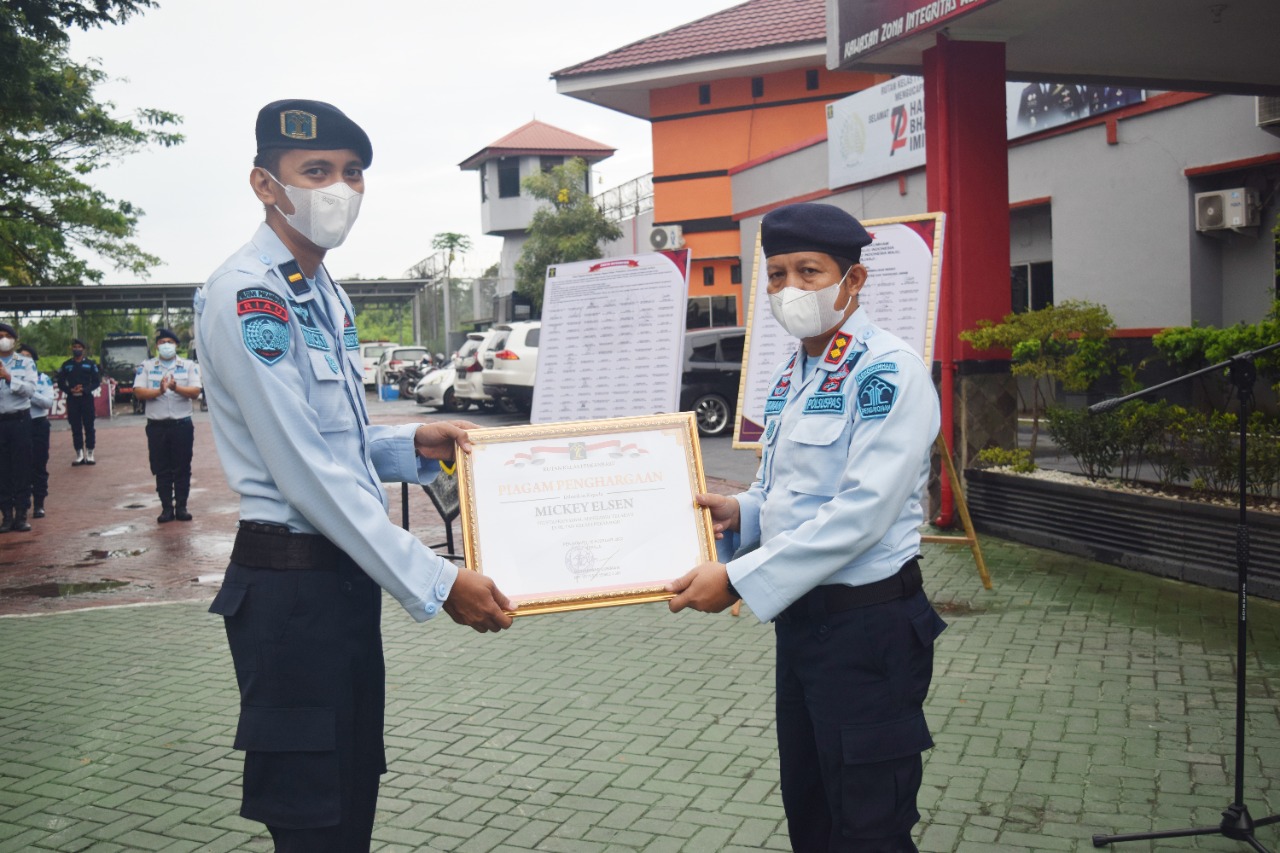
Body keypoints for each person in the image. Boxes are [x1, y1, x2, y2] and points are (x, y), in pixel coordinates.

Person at [196, 98, 514, 853]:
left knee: (348, 799)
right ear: (264, 185)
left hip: (338, 587)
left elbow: (335, 443)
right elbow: (304, 471)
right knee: (315, 822)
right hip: (291, 591)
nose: (339, 189)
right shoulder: (251, 295)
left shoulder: (320, 289)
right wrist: (439, 581)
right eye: (316, 171)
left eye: (352, 173)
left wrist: (415, 444)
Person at [667, 202, 948, 852]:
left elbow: (859, 514)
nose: (790, 288)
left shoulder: (889, 372)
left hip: (868, 634)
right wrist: (745, 512)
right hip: (803, 628)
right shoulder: (796, 373)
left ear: (853, 282)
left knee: (869, 828)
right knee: (813, 817)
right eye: (777, 274)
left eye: (809, 271)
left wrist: (735, 577)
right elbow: (785, 488)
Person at [133, 329, 202, 523]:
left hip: (182, 425)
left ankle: (181, 507)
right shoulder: (146, 367)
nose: (166, 345)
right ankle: (166, 508)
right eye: (162, 341)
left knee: (182, 467)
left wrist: (175, 388)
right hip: (157, 427)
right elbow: (139, 392)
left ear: (176, 345)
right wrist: (159, 391)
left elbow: (195, 391)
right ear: (157, 345)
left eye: (170, 342)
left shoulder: (188, 366)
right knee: (161, 468)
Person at [0, 323, 37, 532]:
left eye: (7, 336)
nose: (4, 339)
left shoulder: (25, 363)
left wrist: (9, 377)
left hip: (20, 421)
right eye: (0, 336)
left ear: (14, 339)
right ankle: (6, 515)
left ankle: (22, 514)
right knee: (2, 470)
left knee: (22, 468)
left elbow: (30, 390)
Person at [17, 344, 53, 518]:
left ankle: (39, 503)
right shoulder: (10, 378)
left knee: (39, 465)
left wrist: (29, 393)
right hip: (19, 424)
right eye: (21, 355)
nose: (24, 358)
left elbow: (47, 402)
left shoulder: (42, 379)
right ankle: (21, 505)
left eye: (28, 356)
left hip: (38, 424)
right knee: (19, 467)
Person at [57, 337, 101, 465]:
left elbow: (96, 382)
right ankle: (79, 453)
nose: (77, 349)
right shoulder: (66, 365)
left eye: (79, 347)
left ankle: (90, 452)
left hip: (86, 399)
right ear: (72, 348)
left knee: (89, 426)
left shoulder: (91, 364)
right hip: (72, 399)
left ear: (83, 349)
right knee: (75, 427)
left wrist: (85, 389)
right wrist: (70, 390)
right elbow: (60, 382)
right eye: (75, 347)